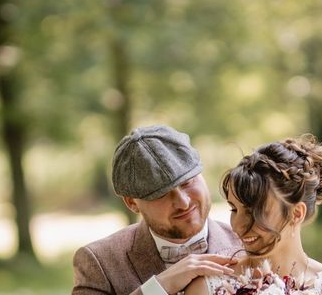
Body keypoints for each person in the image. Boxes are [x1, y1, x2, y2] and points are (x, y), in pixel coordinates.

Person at [184, 134, 322, 295]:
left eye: (252, 211)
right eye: (234, 209)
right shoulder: (206, 289)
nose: (238, 225)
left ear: (296, 214)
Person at [72, 125, 242, 295]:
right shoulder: (99, 262)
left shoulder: (248, 244)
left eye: (187, 182)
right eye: (162, 194)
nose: (183, 203)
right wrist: (159, 287)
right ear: (132, 203)